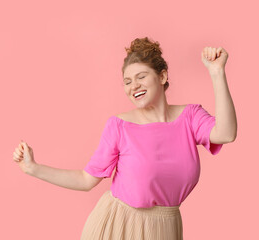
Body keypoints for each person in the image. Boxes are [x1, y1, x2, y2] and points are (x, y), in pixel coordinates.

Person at [12, 37, 237, 240]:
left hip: (167, 228)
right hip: (118, 227)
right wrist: (33, 168)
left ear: (162, 76)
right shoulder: (119, 126)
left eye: (141, 77)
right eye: (128, 81)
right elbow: (85, 179)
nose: (134, 86)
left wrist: (217, 73)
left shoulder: (190, 117)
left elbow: (226, 133)